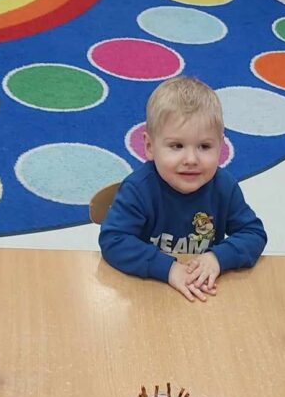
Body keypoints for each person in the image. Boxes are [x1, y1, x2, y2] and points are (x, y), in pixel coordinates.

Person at [99, 76, 267, 303]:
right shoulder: (138, 190)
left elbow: (254, 234)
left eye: (205, 146)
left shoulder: (224, 187)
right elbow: (114, 240)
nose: (191, 159)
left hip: (202, 294)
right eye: (176, 146)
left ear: (221, 145)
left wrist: (218, 258)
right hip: (145, 293)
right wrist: (168, 269)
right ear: (149, 146)